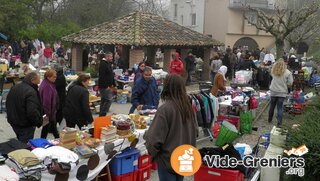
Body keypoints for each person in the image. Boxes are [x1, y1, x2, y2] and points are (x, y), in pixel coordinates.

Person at [144, 74, 198, 181]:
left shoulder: (165, 109)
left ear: (166, 88)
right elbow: (195, 132)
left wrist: (153, 155)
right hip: (183, 158)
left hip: (168, 159)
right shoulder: (188, 108)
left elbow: (153, 139)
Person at [6, 72, 44, 143]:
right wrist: (36, 122)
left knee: (20, 141)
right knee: (24, 146)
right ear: (32, 80)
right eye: (38, 81)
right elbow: (32, 111)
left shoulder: (15, 87)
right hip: (25, 125)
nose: (38, 84)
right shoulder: (31, 91)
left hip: (14, 122)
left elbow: (8, 103)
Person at [268, 60, 293, 127]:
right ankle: (279, 123)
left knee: (272, 106)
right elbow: (290, 83)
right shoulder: (288, 72)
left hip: (273, 90)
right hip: (282, 92)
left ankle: (269, 119)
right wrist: (285, 84)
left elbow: (271, 75)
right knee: (280, 107)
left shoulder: (273, 70)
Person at [39, 69, 59, 139]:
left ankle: (58, 139)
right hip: (49, 112)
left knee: (50, 128)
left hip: (49, 112)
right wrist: (49, 114)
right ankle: (42, 141)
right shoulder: (47, 86)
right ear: (48, 77)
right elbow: (46, 102)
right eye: (54, 77)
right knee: (47, 128)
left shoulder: (47, 83)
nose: (55, 78)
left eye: (55, 77)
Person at [98, 52, 116, 116]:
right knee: (109, 100)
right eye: (111, 57)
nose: (112, 58)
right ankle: (103, 114)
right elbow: (102, 76)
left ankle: (101, 115)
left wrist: (114, 84)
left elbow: (111, 74)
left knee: (104, 100)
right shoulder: (103, 64)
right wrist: (106, 86)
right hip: (104, 86)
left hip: (108, 86)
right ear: (107, 57)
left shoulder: (108, 64)